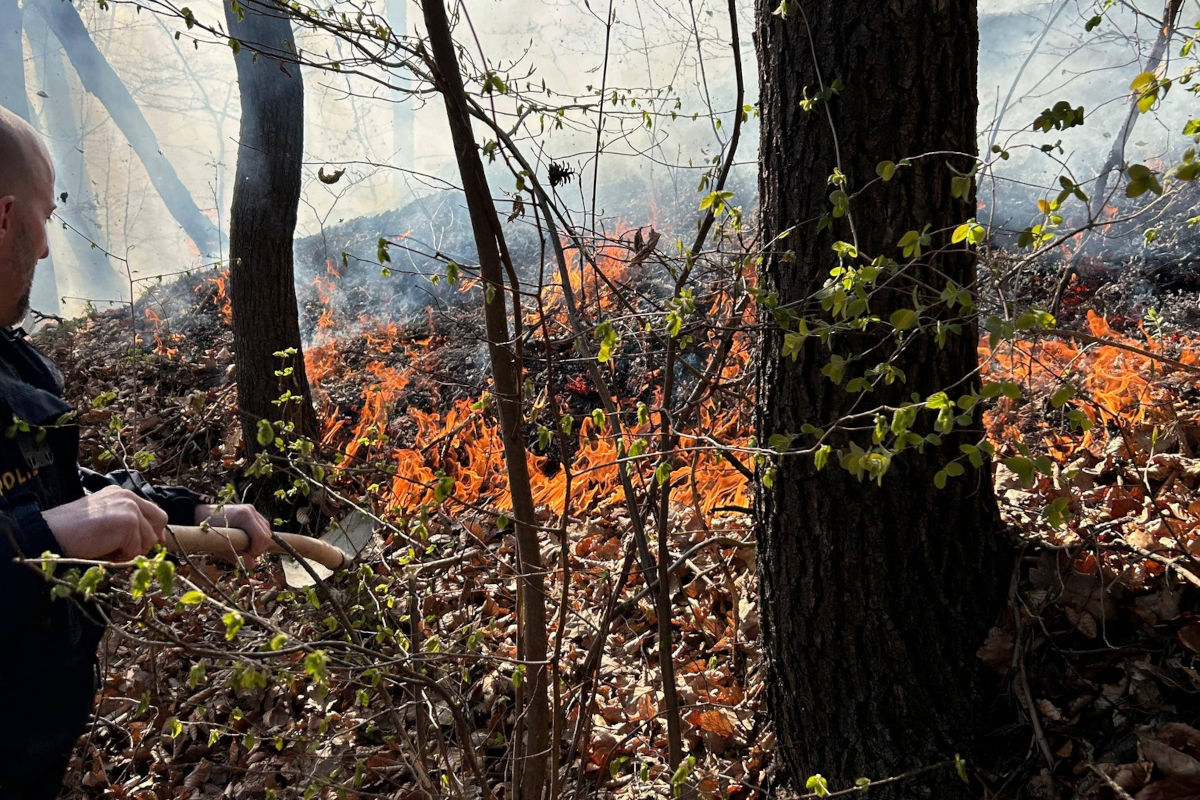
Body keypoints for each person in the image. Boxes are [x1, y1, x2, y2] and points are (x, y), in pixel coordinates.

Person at [0, 105, 275, 798]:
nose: (43, 250)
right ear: (4, 218)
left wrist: (197, 513)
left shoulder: (14, 371)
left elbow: (54, 491)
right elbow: (45, 521)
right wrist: (40, 536)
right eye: (44, 217)